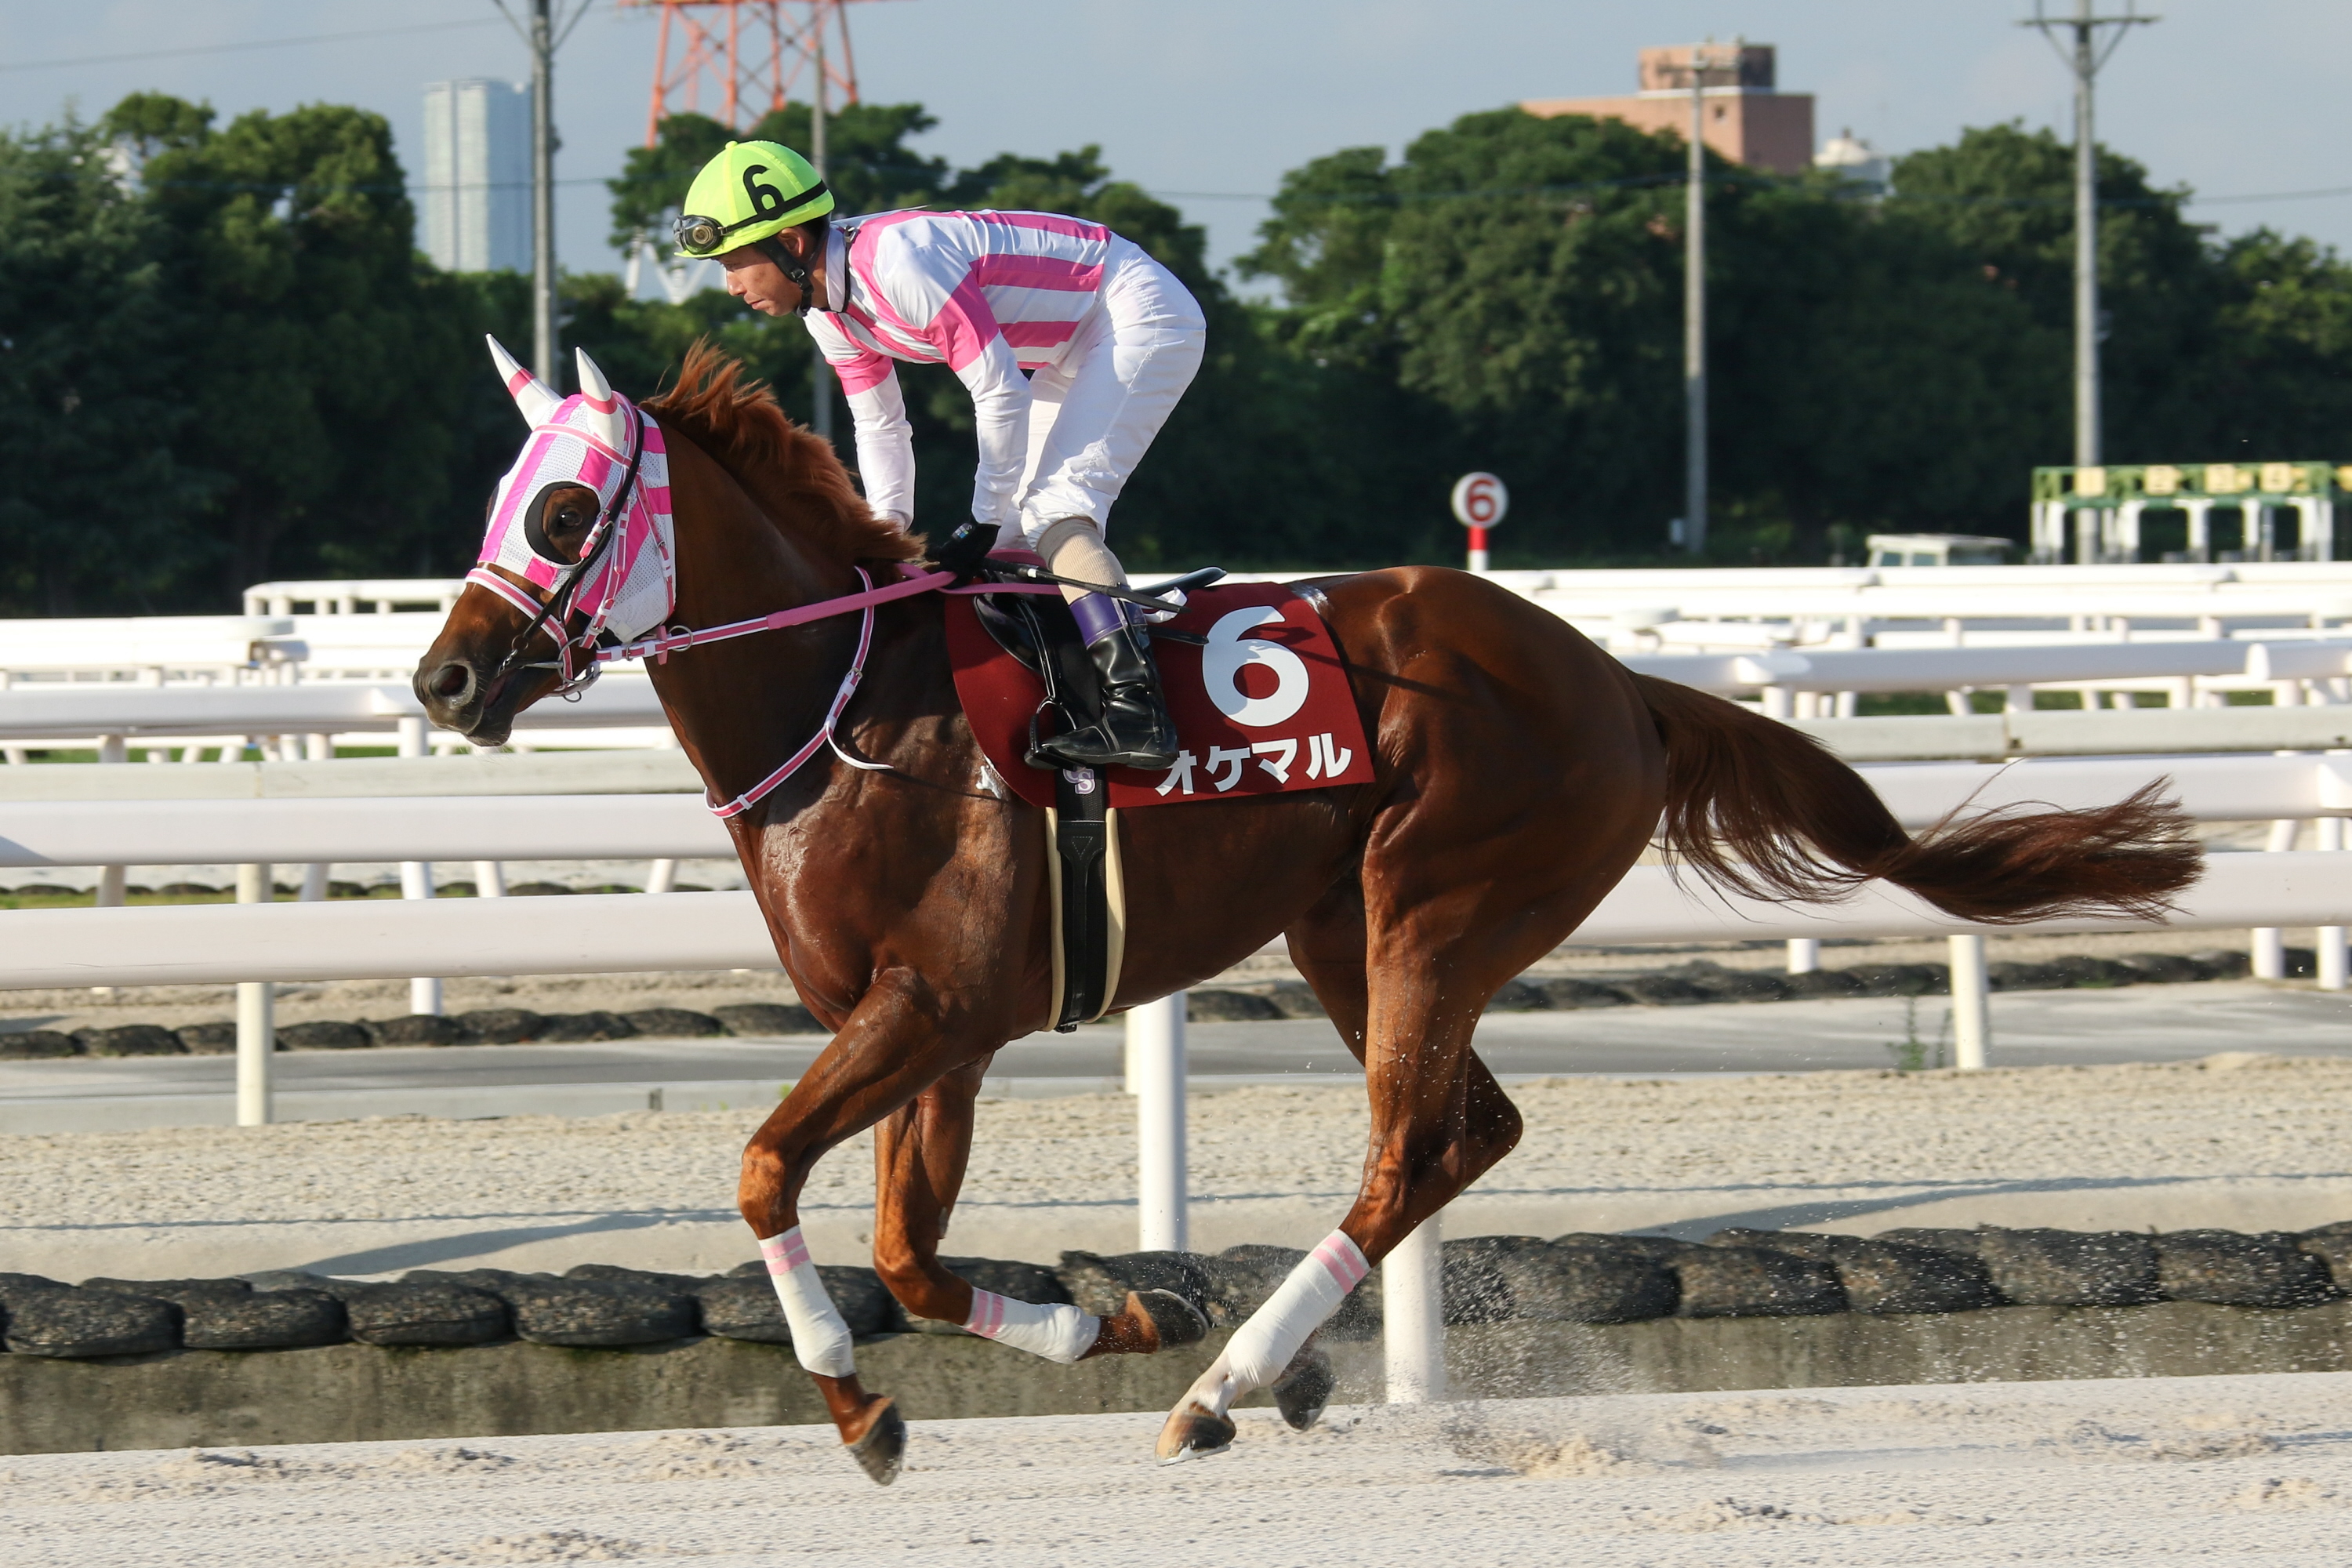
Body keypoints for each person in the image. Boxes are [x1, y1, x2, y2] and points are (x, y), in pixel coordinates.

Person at [674, 140, 1203, 771]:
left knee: (1056, 511)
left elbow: (999, 389)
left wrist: (978, 515)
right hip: (1074, 341)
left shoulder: (900, 264)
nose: (731, 286)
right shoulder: (828, 313)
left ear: (790, 244)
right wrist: (884, 535)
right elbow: (880, 427)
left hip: (1135, 310)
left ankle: (1137, 710)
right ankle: (1067, 699)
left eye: (735, 263)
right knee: (1014, 538)